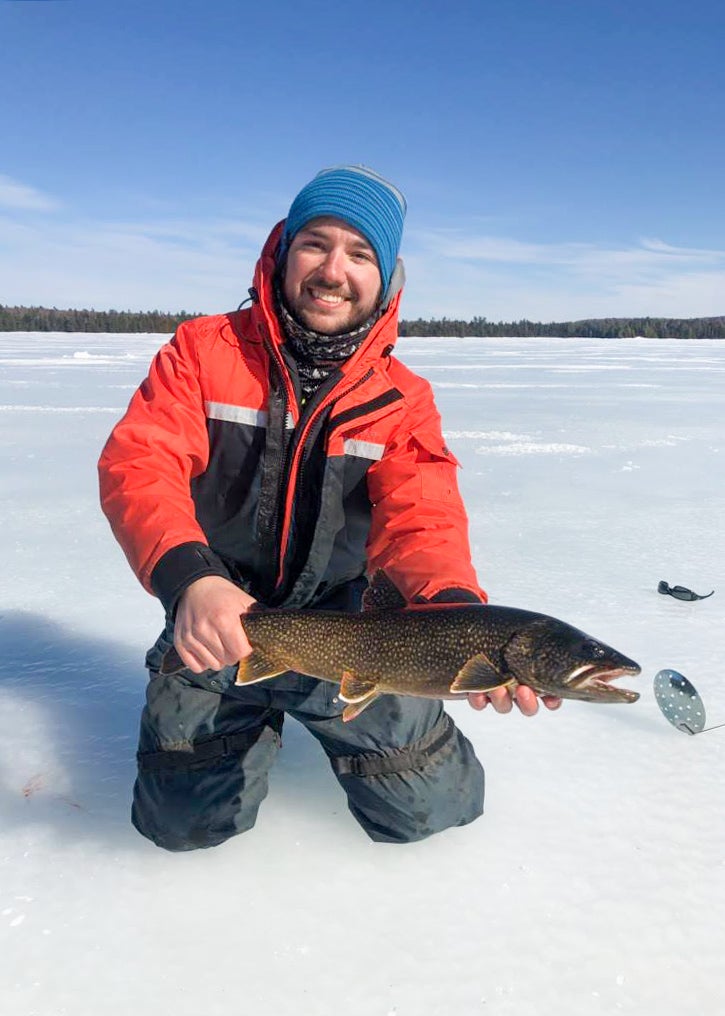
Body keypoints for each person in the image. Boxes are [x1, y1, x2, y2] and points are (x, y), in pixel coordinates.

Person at [99, 165, 560, 850]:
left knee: (435, 810)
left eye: (359, 253)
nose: (332, 270)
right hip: (219, 615)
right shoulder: (202, 351)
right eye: (315, 243)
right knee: (180, 824)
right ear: (284, 251)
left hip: (353, 630)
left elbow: (422, 517)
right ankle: (241, 711)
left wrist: (453, 615)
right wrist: (189, 580)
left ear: (386, 277)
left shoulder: (401, 398)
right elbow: (142, 464)